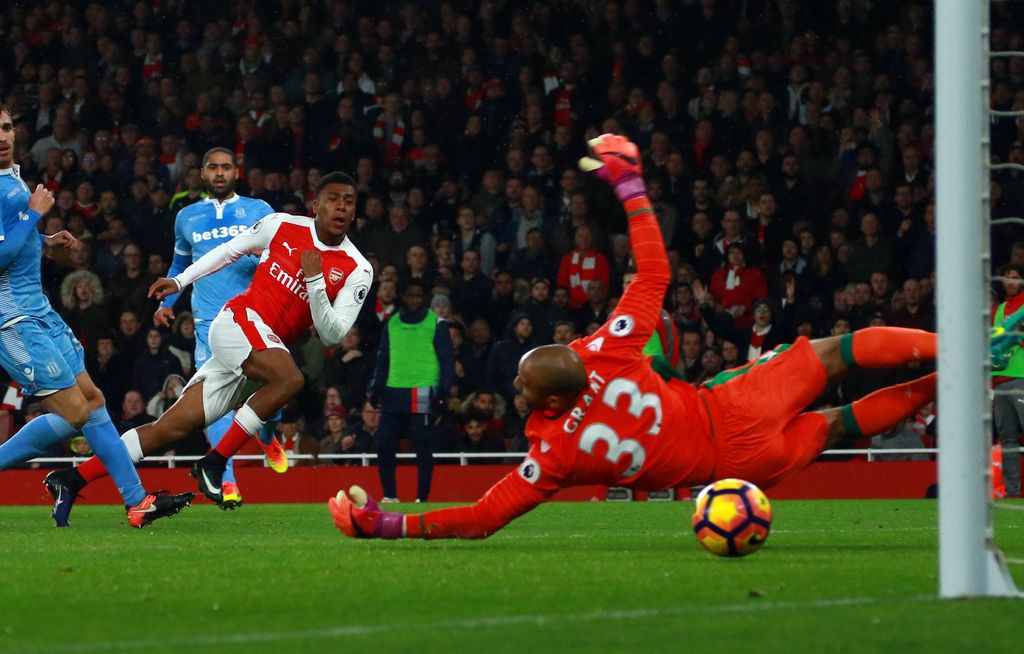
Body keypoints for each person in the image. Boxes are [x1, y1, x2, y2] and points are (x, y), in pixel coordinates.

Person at [328, 135, 938, 540]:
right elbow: (655, 272)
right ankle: (953, 357)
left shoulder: (556, 455)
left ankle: (949, 380)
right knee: (837, 353)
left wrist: (389, 526)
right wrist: (630, 187)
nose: (513, 380)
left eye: (521, 378)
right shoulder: (609, 353)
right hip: (732, 405)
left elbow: (484, 517)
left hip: (739, 467)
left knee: (841, 423)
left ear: (544, 403)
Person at [45, 172, 372, 514]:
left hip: (261, 352)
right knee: (291, 379)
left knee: (168, 429)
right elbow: (230, 251)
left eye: (349, 201)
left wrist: (315, 280)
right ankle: (214, 462)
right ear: (316, 205)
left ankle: (72, 479)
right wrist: (180, 280)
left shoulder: (358, 269)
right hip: (238, 322)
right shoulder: (281, 224)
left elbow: (333, 334)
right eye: (333, 199)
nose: (341, 207)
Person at [0, 104, 193, 528]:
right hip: (13, 321)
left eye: (7, 127)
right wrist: (35, 213)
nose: (2, 136)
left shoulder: (10, 176)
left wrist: (43, 239)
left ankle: (137, 501)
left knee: (94, 402)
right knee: (74, 412)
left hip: (40, 310)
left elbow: (12, 240)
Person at [153, 147, 278, 507]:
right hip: (209, 323)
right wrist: (167, 304)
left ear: (236, 172)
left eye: (226, 167)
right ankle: (227, 481)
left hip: (256, 318)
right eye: (213, 167)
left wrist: (264, 257)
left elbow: (281, 258)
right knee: (218, 403)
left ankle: (268, 434)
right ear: (203, 173)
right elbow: (179, 266)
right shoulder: (186, 217)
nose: (220, 173)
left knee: (273, 389)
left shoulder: (260, 211)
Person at [369, 277, 455, 502]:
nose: (414, 299)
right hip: (392, 392)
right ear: (403, 296)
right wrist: (376, 388)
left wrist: (442, 393)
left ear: (425, 298)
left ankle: (421, 498)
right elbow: (383, 359)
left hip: (423, 392)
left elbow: (447, 362)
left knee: (422, 448)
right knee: (384, 445)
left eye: (418, 295)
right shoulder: (392, 323)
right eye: (410, 295)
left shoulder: (437, 324)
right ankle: (389, 495)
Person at [991, 264, 1024, 497]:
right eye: (1007, 278)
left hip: (1022, 377)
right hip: (1000, 383)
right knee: (1007, 440)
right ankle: (1013, 493)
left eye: (1015, 278)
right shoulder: (998, 310)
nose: (1010, 282)